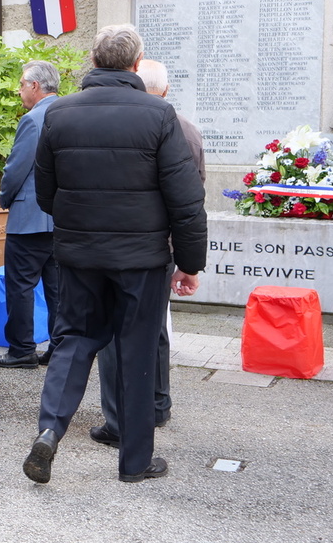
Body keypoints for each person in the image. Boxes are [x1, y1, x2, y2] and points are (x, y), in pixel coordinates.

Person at [22, 24, 206, 485]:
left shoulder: (60, 113)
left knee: (73, 340)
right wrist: (190, 263)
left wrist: (81, 223)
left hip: (80, 254)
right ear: (136, 64)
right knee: (137, 350)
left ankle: (49, 430)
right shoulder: (159, 114)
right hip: (140, 259)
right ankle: (135, 461)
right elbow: (185, 200)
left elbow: (46, 192)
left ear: (93, 59)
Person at [90, 58, 206, 447]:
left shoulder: (132, 125)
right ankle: (158, 404)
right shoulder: (188, 129)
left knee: (117, 335)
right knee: (154, 329)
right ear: (166, 90)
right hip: (165, 245)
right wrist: (188, 259)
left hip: (132, 244)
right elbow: (194, 197)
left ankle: (120, 421)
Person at [0, 60, 61, 369]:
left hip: (30, 219)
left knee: (20, 286)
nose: (18, 91)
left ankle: (22, 350)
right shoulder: (69, 112)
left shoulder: (33, 120)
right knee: (58, 290)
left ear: (34, 86)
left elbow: (16, 169)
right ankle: (59, 349)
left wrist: (4, 198)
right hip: (61, 219)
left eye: (21, 85)